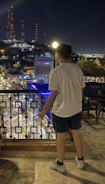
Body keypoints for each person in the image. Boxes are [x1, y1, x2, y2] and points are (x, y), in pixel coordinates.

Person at [38, 43, 85, 173]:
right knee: (76, 133)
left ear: (58, 55)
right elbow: (81, 90)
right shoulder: (78, 69)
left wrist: (43, 111)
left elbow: (53, 95)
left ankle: (60, 163)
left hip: (61, 111)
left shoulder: (55, 72)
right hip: (76, 109)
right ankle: (80, 160)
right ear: (70, 55)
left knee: (61, 137)